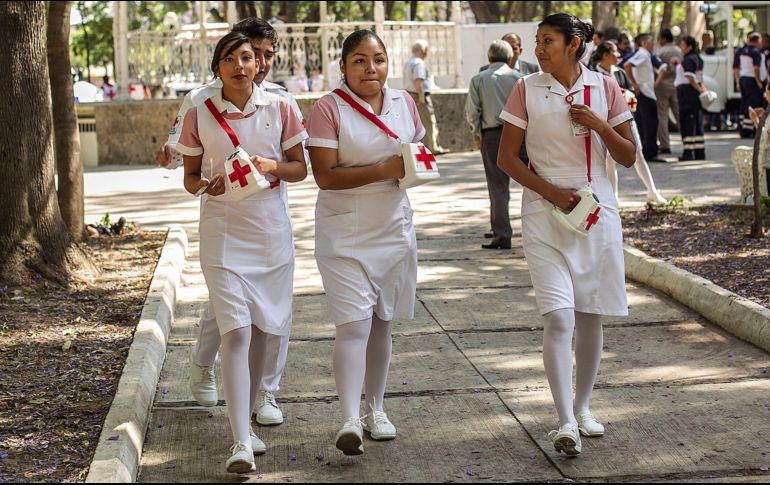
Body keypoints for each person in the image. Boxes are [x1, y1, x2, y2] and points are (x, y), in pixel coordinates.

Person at [497, 13, 636, 456]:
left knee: (591, 312)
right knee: (559, 316)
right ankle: (564, 421)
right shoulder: (526, 89)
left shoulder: (606, 87)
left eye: (548, 41)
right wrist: (553, 194)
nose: (539, 49)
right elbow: (507, 159)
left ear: (575, 44)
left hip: (597, 213)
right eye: (537, 41)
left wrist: (600, 124)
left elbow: (629, 156)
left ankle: (583, 406)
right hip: (544, 210)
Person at [155, 18, 302, 430]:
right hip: (225, 223)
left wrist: (272, 166)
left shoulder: (280, 101)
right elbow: (179, 144)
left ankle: (266, 391)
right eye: (248, 53)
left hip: (269, 221)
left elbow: (297, 164)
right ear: (223, 60)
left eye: (265, 56)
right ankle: (204, 363)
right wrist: (175, 157)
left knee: (273, 314)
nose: (257, 63)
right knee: (228, 314)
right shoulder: (201, 100)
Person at [306, 29, 424, 456]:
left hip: (392, 227)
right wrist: (384, 168)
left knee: (382, 323)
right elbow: (325, 176)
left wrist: (416, 165)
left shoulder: (404, 103)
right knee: (353, 325)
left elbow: (415, 151)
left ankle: (377, 408)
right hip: (344, 233)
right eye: (359, 60)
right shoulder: (327, 109)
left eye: (377, 59)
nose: (369, 69)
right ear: (343, 66)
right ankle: (350, 417)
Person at [591, 41, 667, 204]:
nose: (618, 55)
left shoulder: (619, 73)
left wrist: (627, 95)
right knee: (609, 159)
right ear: (606, 55)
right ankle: (614, 197)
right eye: (615, 52)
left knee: (638, 153)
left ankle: (652, 192)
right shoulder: (593, 74)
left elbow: (629, 91)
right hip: (606, 121)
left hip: (626, 118)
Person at [465, 40, 522, 249]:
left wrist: (477, 135)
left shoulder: (479, 79)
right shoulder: (519, 79)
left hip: (493, 136)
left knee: (498, 188)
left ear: (489, 59)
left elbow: (473, 112)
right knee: (536, 181)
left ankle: (502, 234)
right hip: (521, 134)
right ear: (510, 58)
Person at [625, 33, 667, 162]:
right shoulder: (642, 54)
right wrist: (635, 83)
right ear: (644, 43)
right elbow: (628, 65)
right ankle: (650, 152)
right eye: (650, 42)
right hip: (645, 93)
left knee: (644, 123)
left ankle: (646, 150)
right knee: (650, 124)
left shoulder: (645, 54)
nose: (653, 45)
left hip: (646, 92)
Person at [404, 39, 447, 154]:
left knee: (418, 124)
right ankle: (433, 148)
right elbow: (418, 81)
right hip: (419, 96)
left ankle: (426, 148)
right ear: (423, 51)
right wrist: (422, 97)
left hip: (410, 95)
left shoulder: (409, 62)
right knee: (428, 122)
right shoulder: (418, 63)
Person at [676, 36, 706, 161]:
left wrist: (699, 90)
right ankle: (699, 152)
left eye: (682, 44)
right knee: (697, 122)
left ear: (689, 47)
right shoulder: (698, 58)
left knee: (687, 122)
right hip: (694, 94)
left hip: (687, 93)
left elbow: (690, 78)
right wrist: (702, 91)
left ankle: (688, 153)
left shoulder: (688, 59)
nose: (681, 47)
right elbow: (699, 78)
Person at [655, 29, 682, 155]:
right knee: (680, 115)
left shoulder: (660, 52)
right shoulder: (680, 51)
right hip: (677, 84)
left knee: (662, 116)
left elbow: (656, 69)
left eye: (659, 38)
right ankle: (688, 141)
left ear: (664, 38)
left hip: (662, 85)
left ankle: (665, 145)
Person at [734, 32, 767, 138]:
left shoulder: (741, 50)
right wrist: (758, 81)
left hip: (743, 79)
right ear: (757, 41)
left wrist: (738, 81)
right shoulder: (756, 51)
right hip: (752, 80)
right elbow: (756, 68)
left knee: (744, 104)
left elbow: (735, 68)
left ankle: (742, 127)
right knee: (754, 104)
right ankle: (749, 130)